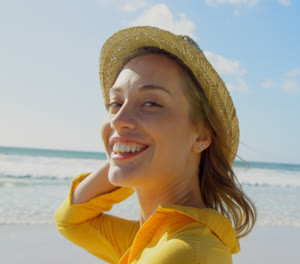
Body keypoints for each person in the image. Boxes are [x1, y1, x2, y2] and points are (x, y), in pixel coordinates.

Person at [54, 26, 256, 264]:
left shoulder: (183, 253)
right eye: (115, 103)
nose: (118, 120)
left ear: (201, 135)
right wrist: (127, 153)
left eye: (150, 103)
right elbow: (70, 220)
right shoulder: (154, 239)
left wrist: (130, 151)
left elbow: (70, 220)